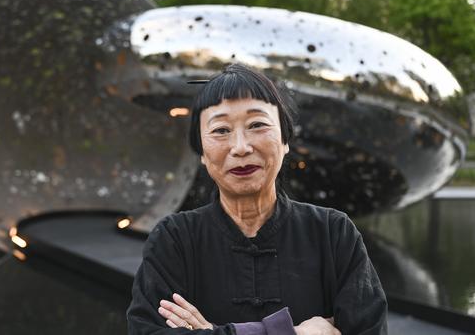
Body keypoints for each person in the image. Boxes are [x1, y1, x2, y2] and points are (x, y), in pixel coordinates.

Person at [126, 64, 387, 335]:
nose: (240, 147)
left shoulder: (333, 233)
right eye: (221, 130)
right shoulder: (174, 239)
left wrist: (211, 331)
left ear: (285, 141)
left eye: (257, 125)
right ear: (201, 153)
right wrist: (288, 333)